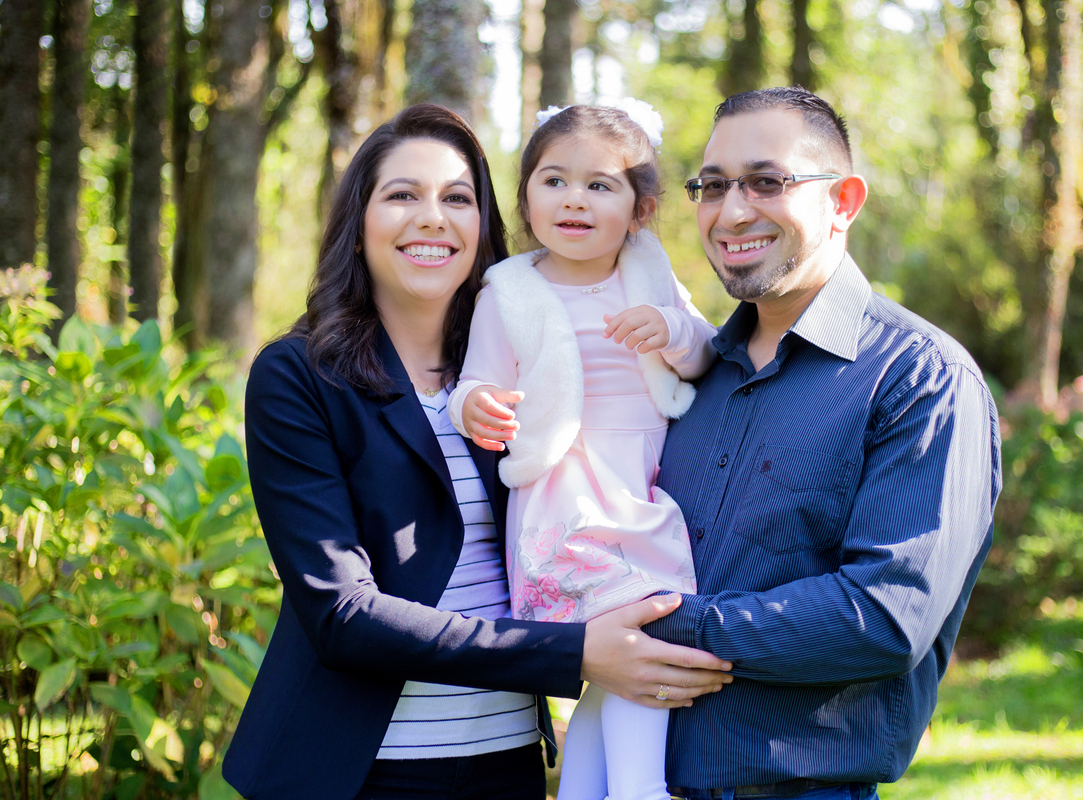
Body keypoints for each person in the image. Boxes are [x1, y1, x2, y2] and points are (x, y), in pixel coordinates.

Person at [221, 104, 732, 800]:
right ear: (359, 222)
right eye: (403, 195)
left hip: (505, 764)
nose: (433, 219)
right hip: (362, 771)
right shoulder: (300, 376)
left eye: (457, 198)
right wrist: (575, 653)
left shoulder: (519, 357)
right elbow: (341, 615)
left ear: (484, 224)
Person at [641, 87, 1003, 800]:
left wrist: (661, 625)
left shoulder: (919, 377)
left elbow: (886, 615)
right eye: (713, 186)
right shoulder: (691, 376)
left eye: (766, 181)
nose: (731, 212)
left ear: (844, 201)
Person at [448, 101, 718, 800]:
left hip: (642, 487)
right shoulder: (509, 290)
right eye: (554, 181)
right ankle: (639, 788)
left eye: (600, 185)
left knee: (616, 665)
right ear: (525, 199)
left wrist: (670, 328)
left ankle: (585, 790)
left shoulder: (649, 273)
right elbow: (475, 378)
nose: (574, 199)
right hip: (564, 497)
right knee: (635, 641)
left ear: (640, 210)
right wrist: (476, 404)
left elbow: (704, 352)